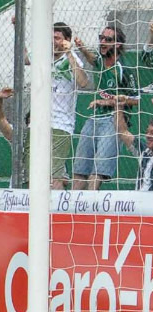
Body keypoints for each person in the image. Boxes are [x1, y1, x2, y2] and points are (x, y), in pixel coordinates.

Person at [0, 23, 88, 189]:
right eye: (51, 38)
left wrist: (68, 52)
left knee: (54, 176)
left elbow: (83, 82)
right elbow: (25, 58)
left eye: (57, 38)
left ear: (66, 40)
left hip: (60, 124)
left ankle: (55, 213)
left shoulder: (71, 58)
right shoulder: (42, 54)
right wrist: (18, 28)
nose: (53, 42)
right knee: (34, 174)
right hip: (37, 123)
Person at [72, 25, 139, 190]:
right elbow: (93, 59)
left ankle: (90, 211)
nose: (102, 42)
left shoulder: (125, 67)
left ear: (117, 44)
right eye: (101, 38)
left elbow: (136, 100)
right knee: (80, 169)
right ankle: (71, 211)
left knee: (98, 171)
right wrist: (81, 47)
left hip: (113, 121)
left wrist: (109, 102)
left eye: (107, 40)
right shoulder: (101, 62)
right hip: (94, 119)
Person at [118, 118, 153, 191]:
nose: (148, 136)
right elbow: (122, 132)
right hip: (139, 200)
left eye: (152, 133)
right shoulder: (144, 152)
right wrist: (118, 107)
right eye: (147, 132)